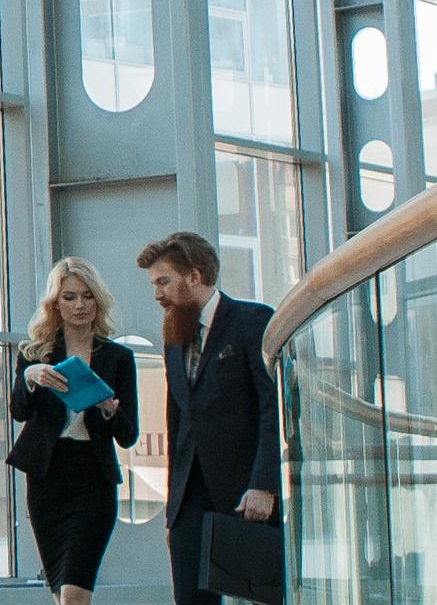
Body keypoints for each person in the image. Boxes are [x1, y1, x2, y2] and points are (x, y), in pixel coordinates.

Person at [144, 232, 279, 605]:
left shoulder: (252, 321)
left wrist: (264, 485)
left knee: (261, 595)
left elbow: (272, 408)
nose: (157, 294)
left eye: (163, 281)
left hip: (244, 491)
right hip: (191, 497)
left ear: (194, 276)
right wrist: (174, 512)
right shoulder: (174, 337)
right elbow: (177, 425)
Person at [11, 258, 140, 605]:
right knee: (60, 594)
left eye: (87, 296)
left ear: (98, 300)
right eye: (69, 297)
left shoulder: (118, 358)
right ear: (55, 303)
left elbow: (129, 436)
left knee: (74, 593)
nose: (80, 305)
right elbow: (19, 411)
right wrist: (31, 378)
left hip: (93, 479)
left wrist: (110, 410)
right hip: (47, 478)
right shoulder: (35, 353)